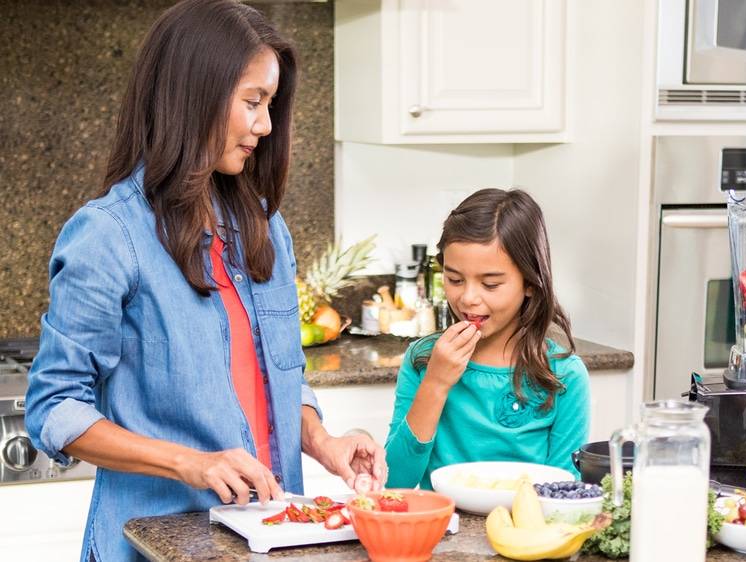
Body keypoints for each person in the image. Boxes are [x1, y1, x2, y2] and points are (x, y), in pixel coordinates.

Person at [24, 2, 385, 560]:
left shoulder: (263, 227)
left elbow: (278, 378)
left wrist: (324, 443)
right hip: (153, 545)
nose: (265, 125)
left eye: (270, 104)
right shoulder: (109, 235)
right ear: (195, 96)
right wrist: (193, 462)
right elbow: (55, 408)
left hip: (269, 538)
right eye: (253, 102)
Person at [384, 188, 590, 489]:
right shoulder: (423, 359)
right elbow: (395, 481)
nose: (468, 298)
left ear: (531, 283)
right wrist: (436, 383)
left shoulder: (564, 376)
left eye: (490, 284)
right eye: (454, 279)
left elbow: (562, 492)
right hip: (441, 531)